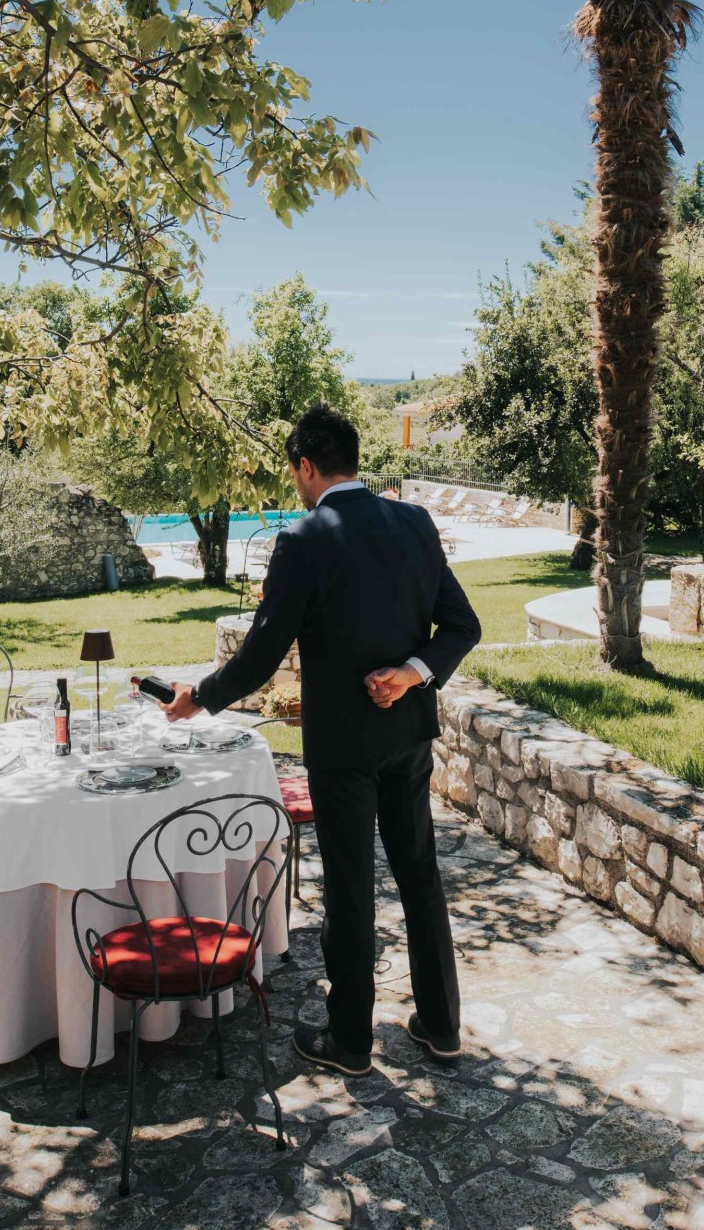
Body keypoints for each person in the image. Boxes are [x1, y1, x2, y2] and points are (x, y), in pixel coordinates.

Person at [162, 403, 482, 1076]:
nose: (297, 486)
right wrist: (412, 674)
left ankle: (350, 1041)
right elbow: (461, 626)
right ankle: (443, 1024)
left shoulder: (306, 538)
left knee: (349, 883)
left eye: (295, 474)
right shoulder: (414, 521)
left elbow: (259, 654)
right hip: (407, 735)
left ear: (307, 466)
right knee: (419, 872)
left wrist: (200, 698)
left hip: (342, 746)